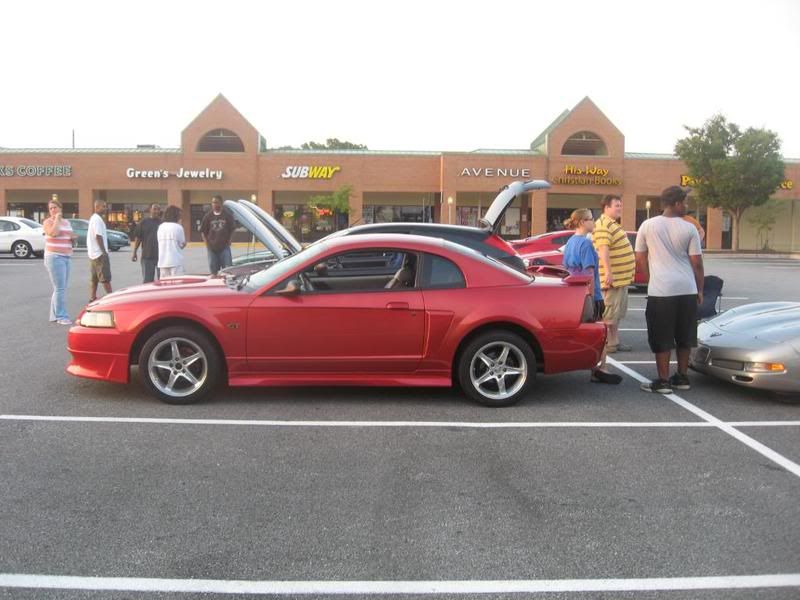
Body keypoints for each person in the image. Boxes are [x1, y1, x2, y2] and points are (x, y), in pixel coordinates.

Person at [635, 186, 704, 394]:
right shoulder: (689, 228)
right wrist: (699, 289)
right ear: (675, 204)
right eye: (685, 202)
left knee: (661, 336)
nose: (687, 206)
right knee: (685, 335)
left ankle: (663, 381)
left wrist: (650, 279)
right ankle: (682, 377)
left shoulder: (647, 226)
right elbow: (697, 263)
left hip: (661, 290)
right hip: (687, 289)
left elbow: (640, 257)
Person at [562, 208, 622, 385]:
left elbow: (566, 269)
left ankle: (594, 367)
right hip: (590, 295)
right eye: (590, 219)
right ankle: (601, 368)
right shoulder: (586, 244)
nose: (593, 222)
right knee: (600, 333)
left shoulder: (571, 241)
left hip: (575, 294)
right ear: (582, 222)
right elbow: (589, 274)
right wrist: (594, 297)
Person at [593, 194, 635, 354]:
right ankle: (606, 345)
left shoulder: (612, 224)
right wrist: (609, 273)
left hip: (620, 281)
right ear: (606, 207)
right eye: (617, 205)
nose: (620, 208)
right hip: (612, 280)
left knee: (615, 315)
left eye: (620, 205)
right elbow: (603, 249)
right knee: (608, 315)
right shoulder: (604, 224)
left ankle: (614, 342)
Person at [42, 198, 77, 324]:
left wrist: (73, 238)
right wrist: (56, 219)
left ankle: (54, 315)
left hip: (66, 256)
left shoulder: (66, 222)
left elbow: (70, 235)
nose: (53, 210)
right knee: (60, 288)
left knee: (61, 287)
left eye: (55, 207)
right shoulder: (48, 222)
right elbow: (54, 233)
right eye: (50, 208)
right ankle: (61, 316)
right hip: (54, 257)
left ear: (60, 208)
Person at [200, 195, 235, 275]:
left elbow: (232, 229)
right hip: (212, 249)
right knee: (213, 272)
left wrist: (230, 240)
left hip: (224, 248)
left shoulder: (227, 215)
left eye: (216, 202)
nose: (214, 204)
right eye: (213, 203)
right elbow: (203, 231)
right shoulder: (208, 216)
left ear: (221, 203)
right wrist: (207, 244)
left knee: (228, 271)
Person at [87, 199, 112, 302]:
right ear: (97, 207)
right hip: (99, 254)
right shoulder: (97, 219)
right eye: (103, 206)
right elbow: (98, 236)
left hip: (93, 254)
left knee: (94, 278)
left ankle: (92, 297)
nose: (105, 209)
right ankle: (112, 298)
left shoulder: (93, 218)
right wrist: (104, 251)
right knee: (105, 278)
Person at [131, 204, 162, 283]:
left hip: (161, 257)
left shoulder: (162, 223)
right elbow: (138, 238)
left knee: (162, 281)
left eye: (158, 209)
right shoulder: (143, 222)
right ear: (150, 210)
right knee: (147, 281)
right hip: (147, 257)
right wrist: (134, 252)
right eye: (154, 209)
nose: (156, 211)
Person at [157, 205, 187, 278]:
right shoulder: (178, 227)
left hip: (162, 262)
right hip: (175, 262)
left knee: (165, 287)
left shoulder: (160, 227)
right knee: (177, 286)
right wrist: (184, 245)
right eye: (179, 215)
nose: (180, 217)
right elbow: (181, 244)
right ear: (175, 215)